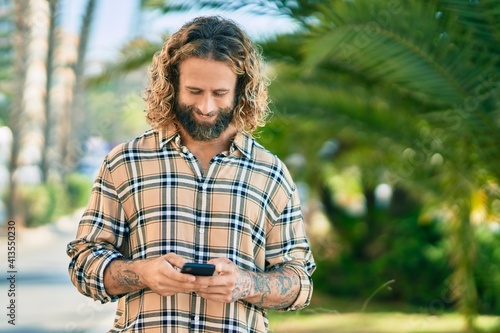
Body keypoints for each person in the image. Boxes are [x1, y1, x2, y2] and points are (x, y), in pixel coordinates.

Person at [67, 15, 315, 333]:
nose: (207, 106)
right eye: (195, 91)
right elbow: (82, 265)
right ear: (172, 84)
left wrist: (246, 284)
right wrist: (142, 273)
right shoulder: (124, 162)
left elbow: (299, 282)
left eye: (220, 93)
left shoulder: (271, 174)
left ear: (241, 90)